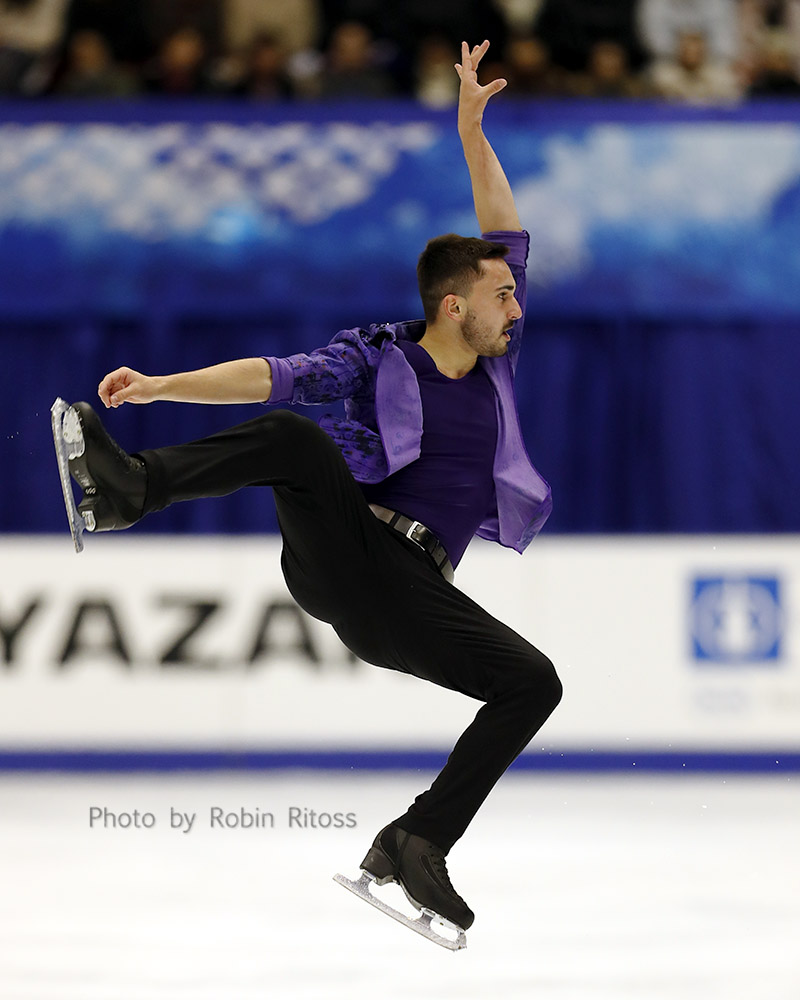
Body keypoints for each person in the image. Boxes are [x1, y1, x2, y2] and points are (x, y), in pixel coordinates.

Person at [58, 40, 562, 940]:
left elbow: (502, 225)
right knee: (294, 435)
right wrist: (164, 385)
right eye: (503, 295)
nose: (517, 305)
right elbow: (272, 377)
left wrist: (471, 132)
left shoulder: (495, 362)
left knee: (532, 683)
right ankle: (128, 489)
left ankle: (416, 841)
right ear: (454, 304)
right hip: (352, 550)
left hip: (409, 598)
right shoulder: (378, 356)